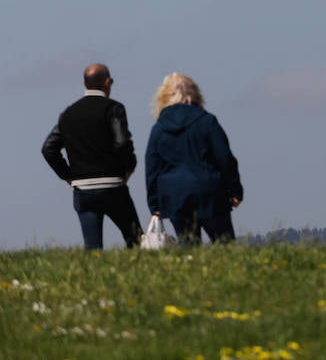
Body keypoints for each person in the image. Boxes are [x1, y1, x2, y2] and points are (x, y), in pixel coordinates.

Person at [41, 63, 142, 250]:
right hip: (113, 186)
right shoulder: (114, 108)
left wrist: (69, 176)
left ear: (84, 83)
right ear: (107, 82)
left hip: (83, 189)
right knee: (135, 239)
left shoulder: (68, 113)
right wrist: (128, 167)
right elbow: (122, 143)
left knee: (93, 248)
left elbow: (48, 149)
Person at [145, 72, 243, 244]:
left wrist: (155, 204)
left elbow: (152, 167)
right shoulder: (207, 122)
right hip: (209, 192)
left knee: (188, 245)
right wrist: (235, 190)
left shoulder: (159, 128)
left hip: (175, 194)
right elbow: (225, 158)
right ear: (195, 95)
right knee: (224, 244)